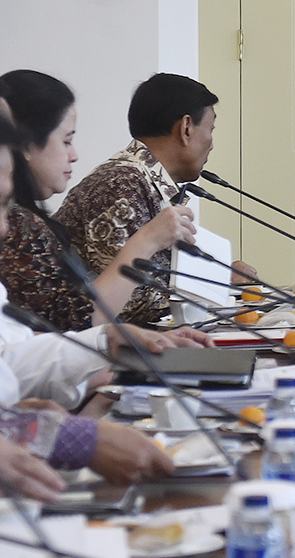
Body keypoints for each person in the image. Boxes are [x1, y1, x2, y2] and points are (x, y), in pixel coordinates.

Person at [0, 111, 175, 492]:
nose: (3, 227)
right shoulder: (121, 180)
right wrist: (69, 437)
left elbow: (9, 360)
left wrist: (106, 340)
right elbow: (76, 315)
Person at [0, 70, 198, 331]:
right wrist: (146, 240)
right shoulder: (19, 226)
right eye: (66, 141)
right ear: (25, 145)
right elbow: (78, 322)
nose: (74, 155)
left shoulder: (28, 220)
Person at [54, 73, 256, 325]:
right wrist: (217, 284)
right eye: (210, 129)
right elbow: (129, 302)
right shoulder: (119, 183)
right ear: (185, 128)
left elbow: (160, 280)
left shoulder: (142, 180)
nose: (211, 143)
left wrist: (217, 276)